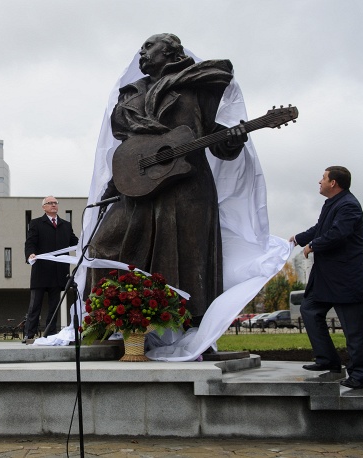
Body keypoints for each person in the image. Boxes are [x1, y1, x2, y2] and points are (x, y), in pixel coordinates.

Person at [88, 34, 247, 324]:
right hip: (138, 184)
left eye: (149, 46)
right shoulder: (131, 94)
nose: (142, 52)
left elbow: (218, 140)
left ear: (171, 51)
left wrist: (234, 139)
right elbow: (125, 144)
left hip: (186, 184)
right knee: (103, 246)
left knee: (188, 261)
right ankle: (107, 322)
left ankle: (194, 332)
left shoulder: (199, 85)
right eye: (141, 48)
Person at [289, 166, 363, 389]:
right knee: (309, 310)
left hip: (346, 279)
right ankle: (328, 360)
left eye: (323, 178)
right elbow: (321, 228)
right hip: (327, 279)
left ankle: (358, 375)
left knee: (354, 329)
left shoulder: (348, 205)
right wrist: (297, 238)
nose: (320, 181)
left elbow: (338, 234)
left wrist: (312, 246)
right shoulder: (334, 203)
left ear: (333, 183)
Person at [24, 196, 79, 341]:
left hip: (58, 273)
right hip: (41, 272)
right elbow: (30, 242)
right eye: (50, 203)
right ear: (44, 207)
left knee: (55, 306)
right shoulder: (36, 223)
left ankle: (50, 334)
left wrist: (86, 244)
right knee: (35, 306)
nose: (53, 205)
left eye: (55, 203)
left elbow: (75, 242)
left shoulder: (66, 225)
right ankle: (29, 334)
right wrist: (30, 254)